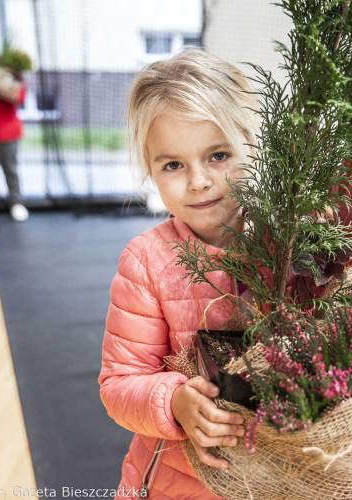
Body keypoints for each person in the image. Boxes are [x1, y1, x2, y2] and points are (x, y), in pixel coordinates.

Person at [99, 48, 261, 499]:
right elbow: (120, 383)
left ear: (250, 144)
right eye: (173, 164)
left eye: (218, 155)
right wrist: (172, 400)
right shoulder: (146, 261)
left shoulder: (288, 243)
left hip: (281, 476)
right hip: (179, 481)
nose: (198, 181)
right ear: (150, 171)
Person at [0, 33, 29, 221]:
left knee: (9, 167)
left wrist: (7, 91)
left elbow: (20, 94)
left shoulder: (2, 63)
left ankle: (16, 202)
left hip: (5, 128)